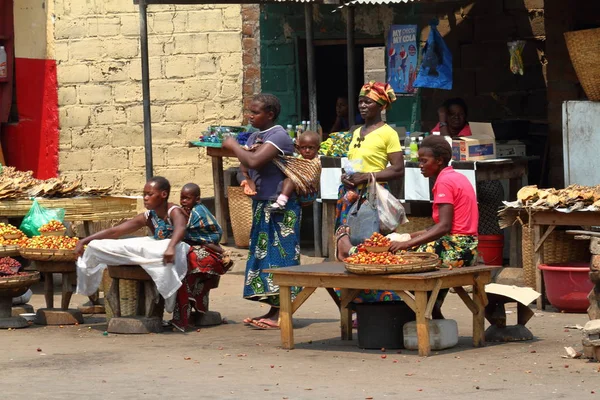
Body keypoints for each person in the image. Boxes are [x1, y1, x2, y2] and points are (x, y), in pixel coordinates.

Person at [222, 93, 301, 330]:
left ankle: (283, 314)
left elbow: (254, 160)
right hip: (262, 204)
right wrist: (245, 179)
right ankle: (275, 310)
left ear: (270, 114)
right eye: (250, 111)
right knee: (265, 259)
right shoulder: (257, 136)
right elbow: (245, 166)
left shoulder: (278, 136)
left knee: (281, 259)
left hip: (281, 207)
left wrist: (233, 144)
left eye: (255, 112)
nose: (250, 116)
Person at [388, 135, 479, 318]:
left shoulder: (444, 182)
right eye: (419, 160)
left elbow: (444, 227)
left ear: (439, 161)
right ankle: (432, 314)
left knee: (397, 257)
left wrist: (405, 245)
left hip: (457, 248)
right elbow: (440, 226)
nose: (420, 165)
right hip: (467, 246)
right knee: (406, 247)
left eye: (424, 161)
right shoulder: (455, 176)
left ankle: (423, 312)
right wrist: (408, 237)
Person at [334, 81, 405, 304]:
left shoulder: (388, 133)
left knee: (369, 250)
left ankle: (376, 302)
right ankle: (352, 303)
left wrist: (366, 177)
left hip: (371, 198)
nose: (363, 106)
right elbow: (354, 163)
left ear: (381, 106)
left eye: (368, 102)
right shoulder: (356, 132)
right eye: (360, 102)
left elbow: (397, 168)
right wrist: (347, 177)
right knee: (345, 247)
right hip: (350, 197)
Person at [431, 97, 504, 236]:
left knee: (486, 223)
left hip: (481, 186)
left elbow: (449, 146)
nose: (457, 118)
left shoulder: (469, 131)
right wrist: (442, 121)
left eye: (461, 114)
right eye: (452, 114)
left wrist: (442, 121)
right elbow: (432, 142)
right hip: (453, 185)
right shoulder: (440, 128)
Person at [174, 183, 231, 331]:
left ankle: (184, 318)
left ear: (197, 199)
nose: (183, 201)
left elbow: (186, 231)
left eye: (187, 198)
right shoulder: (188, 211)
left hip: (206, 246)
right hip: (202, 248)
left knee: (184, 276)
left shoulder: (198, 213)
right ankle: (197, 311)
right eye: (182, 198)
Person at [266, 130, 321, 212]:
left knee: (290, 180)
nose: (307, 151)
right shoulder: (297, 159)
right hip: (298, 196)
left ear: (318, 148)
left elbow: (310, 178)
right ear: (298, 148)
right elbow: (289, 165)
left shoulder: (316, 162)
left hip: (309, 194)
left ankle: (281, 202)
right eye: (303, 148)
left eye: (311, 148)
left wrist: (297, 178)